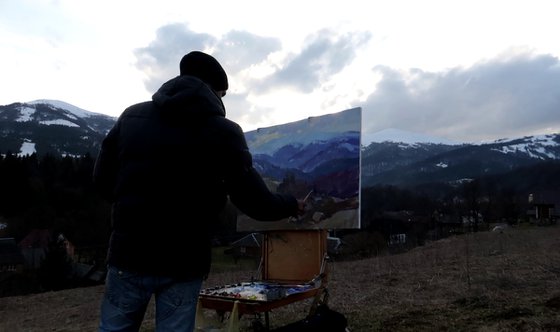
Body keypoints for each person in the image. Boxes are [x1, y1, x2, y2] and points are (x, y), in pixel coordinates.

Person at [93, 50, 304, 332]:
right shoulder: (224, 131)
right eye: (223, 94)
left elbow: (102, 181)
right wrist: (293, 204)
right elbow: (256, 203)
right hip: (184, 260)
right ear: (216, 90)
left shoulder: (131, 116)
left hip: (127, 254)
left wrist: (133, 208)